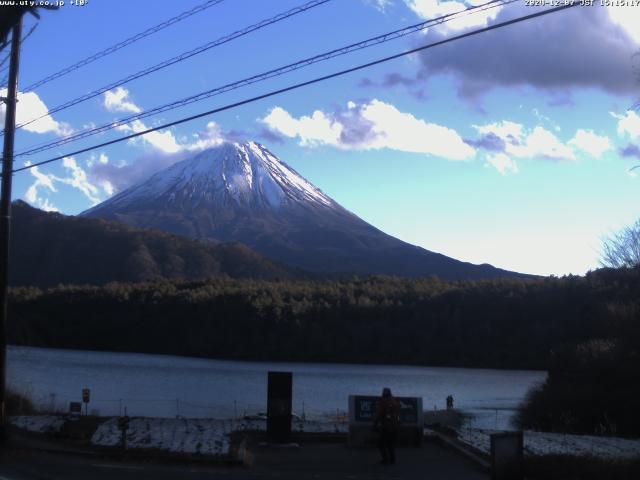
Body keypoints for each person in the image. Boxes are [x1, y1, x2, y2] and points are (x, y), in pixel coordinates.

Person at [373, 387, 400, 465]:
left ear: (384, 393)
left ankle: (386, 459)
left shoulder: (383, 402)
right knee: (390, 444)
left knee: (380, 443)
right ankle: (392, 459)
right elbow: (398, 415)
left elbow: (379, 414)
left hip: (387, 427)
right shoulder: (395, 401)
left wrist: (374, 425)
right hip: (395, 426)